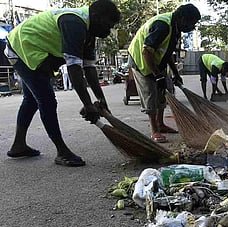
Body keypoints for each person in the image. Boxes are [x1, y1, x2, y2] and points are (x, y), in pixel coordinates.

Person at [4, 0, 121, 166]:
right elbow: (75, 70)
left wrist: (101, 100)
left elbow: (89, 69)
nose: (109, 31)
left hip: (32, 50)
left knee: (31, 100)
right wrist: (88, 105)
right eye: (108, 25)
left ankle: (18, 145)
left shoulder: (89, 32)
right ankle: (62, 152)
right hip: (22, 48)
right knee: (47, 101)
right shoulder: (74, 24)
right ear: (96, 16)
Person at [128, 4, 201, 143]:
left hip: (155, 60)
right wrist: (157, 75)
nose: (192, 27)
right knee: (151, 93)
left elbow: (167, 53)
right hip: (141, 60)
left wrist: (175, 74)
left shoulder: (176, 29)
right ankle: (154, 130)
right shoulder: (163, 26)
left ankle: (161, 124)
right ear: (183, 18)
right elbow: (146, 52)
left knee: (165, 89)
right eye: (192, 23)